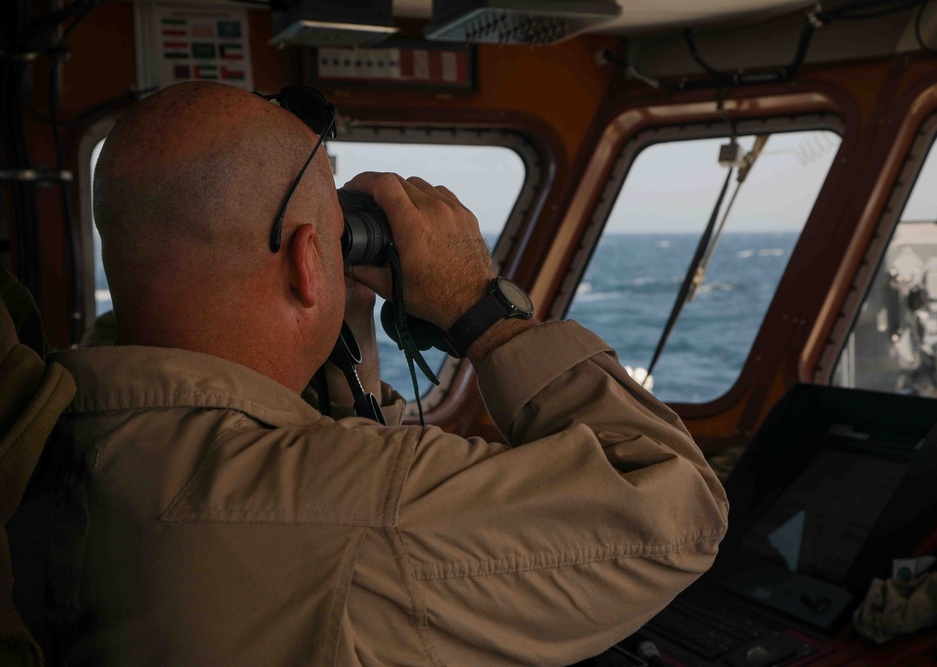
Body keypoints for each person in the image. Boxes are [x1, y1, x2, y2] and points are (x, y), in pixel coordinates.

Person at [8, 81, 728, 666]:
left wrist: (330, 313)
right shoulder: (354, 510)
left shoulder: (50, 426)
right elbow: (679, 507)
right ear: (305, 260)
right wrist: (482, 308)